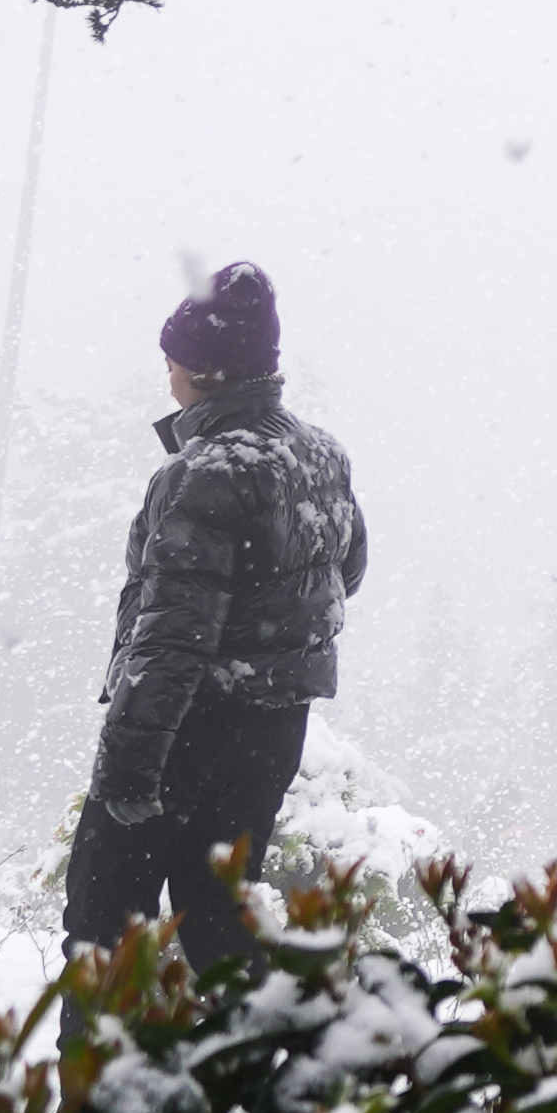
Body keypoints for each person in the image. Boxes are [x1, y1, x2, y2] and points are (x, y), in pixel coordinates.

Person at [68, 264, 365, 973]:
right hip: (271, 733)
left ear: (204, 373)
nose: (166, 374)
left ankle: (100, 1082)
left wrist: (131, 768)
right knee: (222, 925)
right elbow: (344, 575)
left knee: (104, 925)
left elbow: (173, 635)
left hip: (188, 728)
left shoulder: (206, 472)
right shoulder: (319, 453)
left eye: (173, 361)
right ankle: (252, 1072)